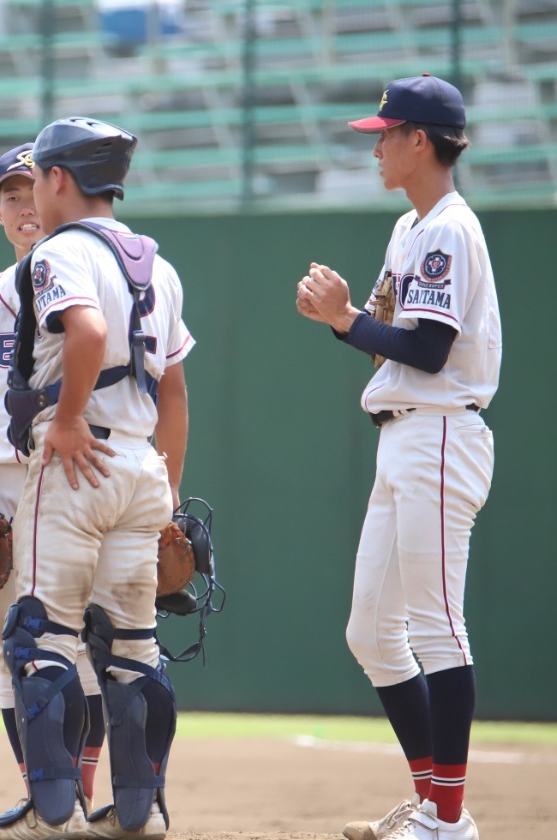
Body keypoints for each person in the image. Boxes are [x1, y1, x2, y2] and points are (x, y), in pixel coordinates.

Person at [296, 74, 498, 840]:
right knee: (372, 632)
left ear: (421, 141)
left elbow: (429, 348)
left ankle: (446, 821)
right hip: (406, 434)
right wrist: (339, 314)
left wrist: (347, 319)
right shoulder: (411, 228)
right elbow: (381, 327)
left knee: (437, 626)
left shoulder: (449, 226)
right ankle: (435, 807)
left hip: (442, 430)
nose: (376, 145)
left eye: (386, 133)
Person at [0, 117, 193, 840]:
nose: (33, 191)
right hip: (141, 464)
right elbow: (173, 389)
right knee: (132, 647)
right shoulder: (156, 266)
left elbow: (89, 333)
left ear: (59, 179)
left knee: (38, 639)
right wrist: (166, 487)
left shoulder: (60, 253)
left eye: (38, 176)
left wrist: (69, 419)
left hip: (78, 460)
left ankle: (54, 816)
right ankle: (141, 813)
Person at [0, 142, 106, 812]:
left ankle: (81, 796)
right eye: (10, 195)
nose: (23, 206)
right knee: (12, 653)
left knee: (85, 645)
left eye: (32, 190)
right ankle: (45, 799)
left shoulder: (94, 279)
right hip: (2, 487)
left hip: (73, 478)